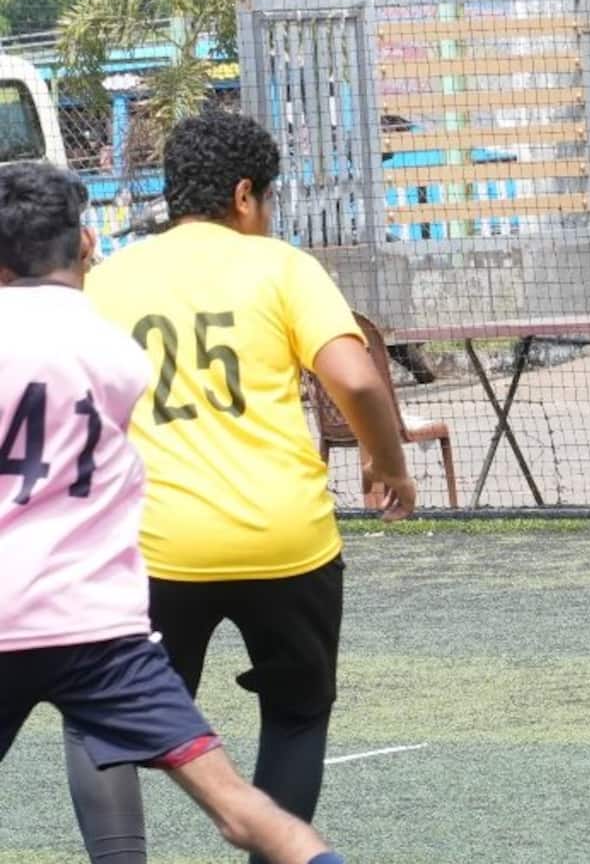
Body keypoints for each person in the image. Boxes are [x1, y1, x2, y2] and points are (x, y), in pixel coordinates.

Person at [69, 111, 417, 863]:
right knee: (295, 715)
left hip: (157, 548)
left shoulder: (110, 278)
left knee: (103, 722)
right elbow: (356, 378)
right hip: (288, 543)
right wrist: (388, 465)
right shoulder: (284, 268)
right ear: (243, 194)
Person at [0, 162, 349, 864]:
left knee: (95, 754)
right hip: (100, 633)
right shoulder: (114, 353)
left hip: (34, 606)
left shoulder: (111, 298)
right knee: (247, 809)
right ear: (86, 243)